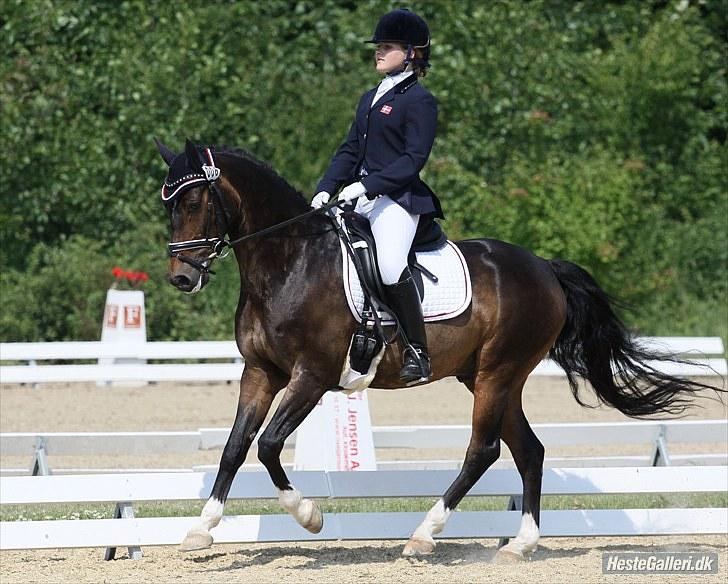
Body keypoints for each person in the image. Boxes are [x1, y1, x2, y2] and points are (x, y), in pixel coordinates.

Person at [311, 8, 443, 384]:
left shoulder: (419, 101)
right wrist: (324, 189)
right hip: (360, 196)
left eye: (387, 46)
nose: (378, 52)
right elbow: (350, 150)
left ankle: (418, 351)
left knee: (388, 264)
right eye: (378, 46)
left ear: (412, 52)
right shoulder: (371, 97)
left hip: (398, 199)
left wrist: (368, 186)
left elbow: (412, 160)